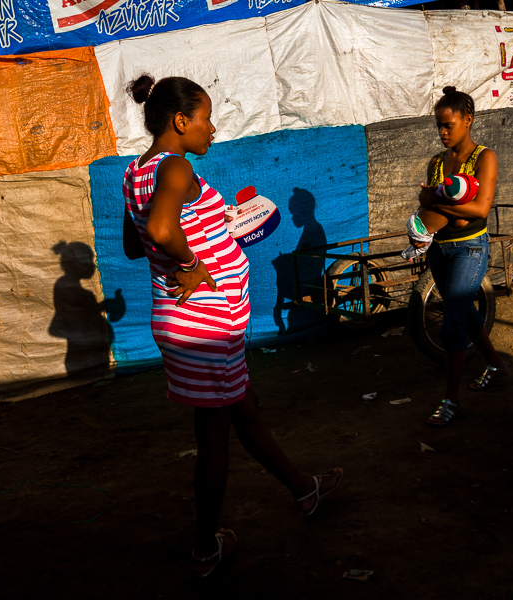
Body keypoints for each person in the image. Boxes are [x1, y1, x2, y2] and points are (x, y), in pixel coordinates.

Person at [121, 74, 342, 576]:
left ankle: (303, 489)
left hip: (181, 320)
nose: (212, 128)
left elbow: (137, 243)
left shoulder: (136, 171)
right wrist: (193, 265)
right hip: (205, 322)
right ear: (181, 121)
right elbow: (159, 231)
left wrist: (210, 230)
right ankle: (204, 548)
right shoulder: (175, 168)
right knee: (214, 435)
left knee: (244, 408)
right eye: (205, 118)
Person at [410, 86, 509, 426]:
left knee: (451, 325)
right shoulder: (436, 162)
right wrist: (447, 206)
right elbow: (436, 211)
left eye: (448, 125)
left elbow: (479, 210)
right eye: (439, 125)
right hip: (440, 249)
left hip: (470, 247)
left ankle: (450, 401)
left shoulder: (485, 158)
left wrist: (435, 202)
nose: (442, 132)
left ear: (467, 121)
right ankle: (495, 363)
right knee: (462, 309)